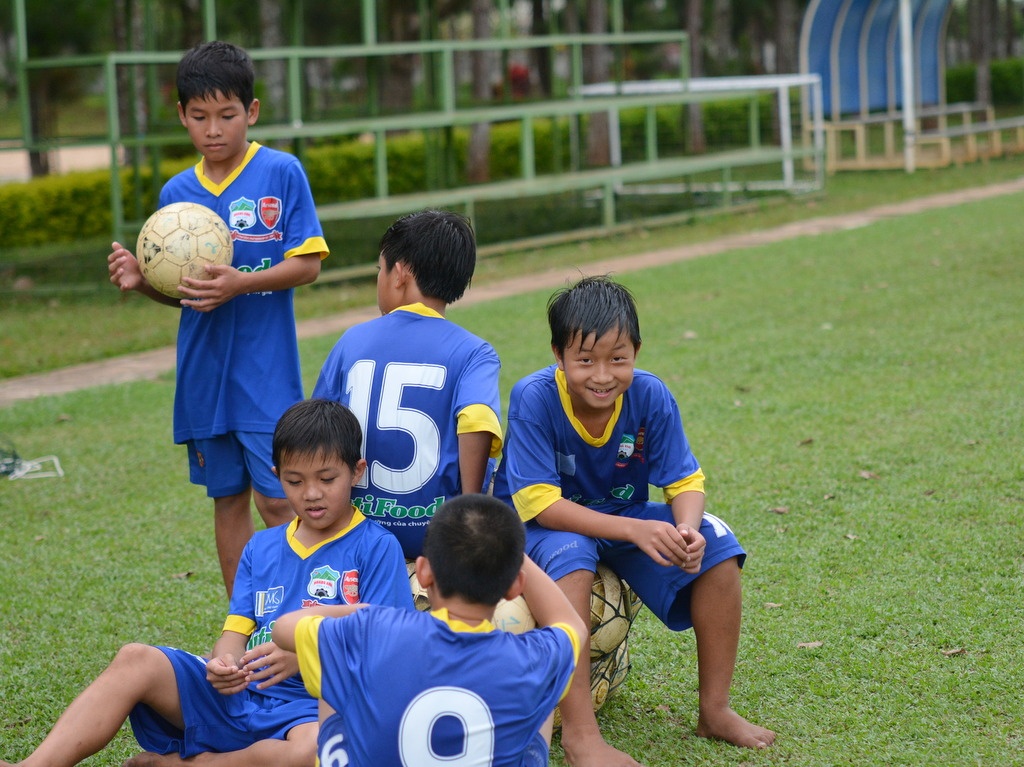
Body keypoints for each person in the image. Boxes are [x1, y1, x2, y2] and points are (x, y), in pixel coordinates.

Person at [0, 399, 412, 767]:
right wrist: (223, 664)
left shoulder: (375, 547)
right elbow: (236, 629)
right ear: (276, 477)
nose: (311, 494)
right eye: (295, 480)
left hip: (309, 710)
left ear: (356, 472)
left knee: (313, 753)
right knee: (136, 658)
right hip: (241, 698)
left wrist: (306, 656)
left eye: (327, 478)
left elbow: (389, 635)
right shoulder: (261, 547)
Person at [492, 275, 776, 767]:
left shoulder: (650, 396)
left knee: (719, 543)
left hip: (618, 513)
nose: (602, 375)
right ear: (558, 354)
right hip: (544, 525)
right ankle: (582, 735)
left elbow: (685, 480)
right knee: (573, 557)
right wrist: (635, 530)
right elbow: (540, 505)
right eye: (585, 360)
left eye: (618, 359)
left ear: (637, 352)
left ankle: (715, 710)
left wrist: (686, 528)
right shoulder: (534, 397)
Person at [107, 41, 329, 596]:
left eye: (227, 115)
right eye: (200, 117)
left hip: (265, 371)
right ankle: (245, 622)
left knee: (279, 498)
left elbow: (307, 265)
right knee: (227, 498)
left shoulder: (281, 171)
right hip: (204, 375)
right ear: (182, 115)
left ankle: (297, 618)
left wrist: (242, 282)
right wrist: (142, 282)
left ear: (250, 112)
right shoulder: (175, 195)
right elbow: (183, 294)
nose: (214, 129)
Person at [273, 493, 586, 767]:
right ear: (516, 585)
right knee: (549, 678)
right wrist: (508, 553)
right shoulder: (532, 659)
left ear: (422, 572)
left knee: (336, 657)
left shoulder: (369, 630)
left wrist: (363, 612)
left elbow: (284, 628)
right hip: (523, 657)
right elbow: (572, 625)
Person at [311, 209, 502, 559]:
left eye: (379, 270)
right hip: (433, 536)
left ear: (399, 273)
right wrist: (466, 514)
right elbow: (476, 422)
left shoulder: (352, 341)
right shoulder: (474, 352)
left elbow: (317, 428)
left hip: (354, 535)